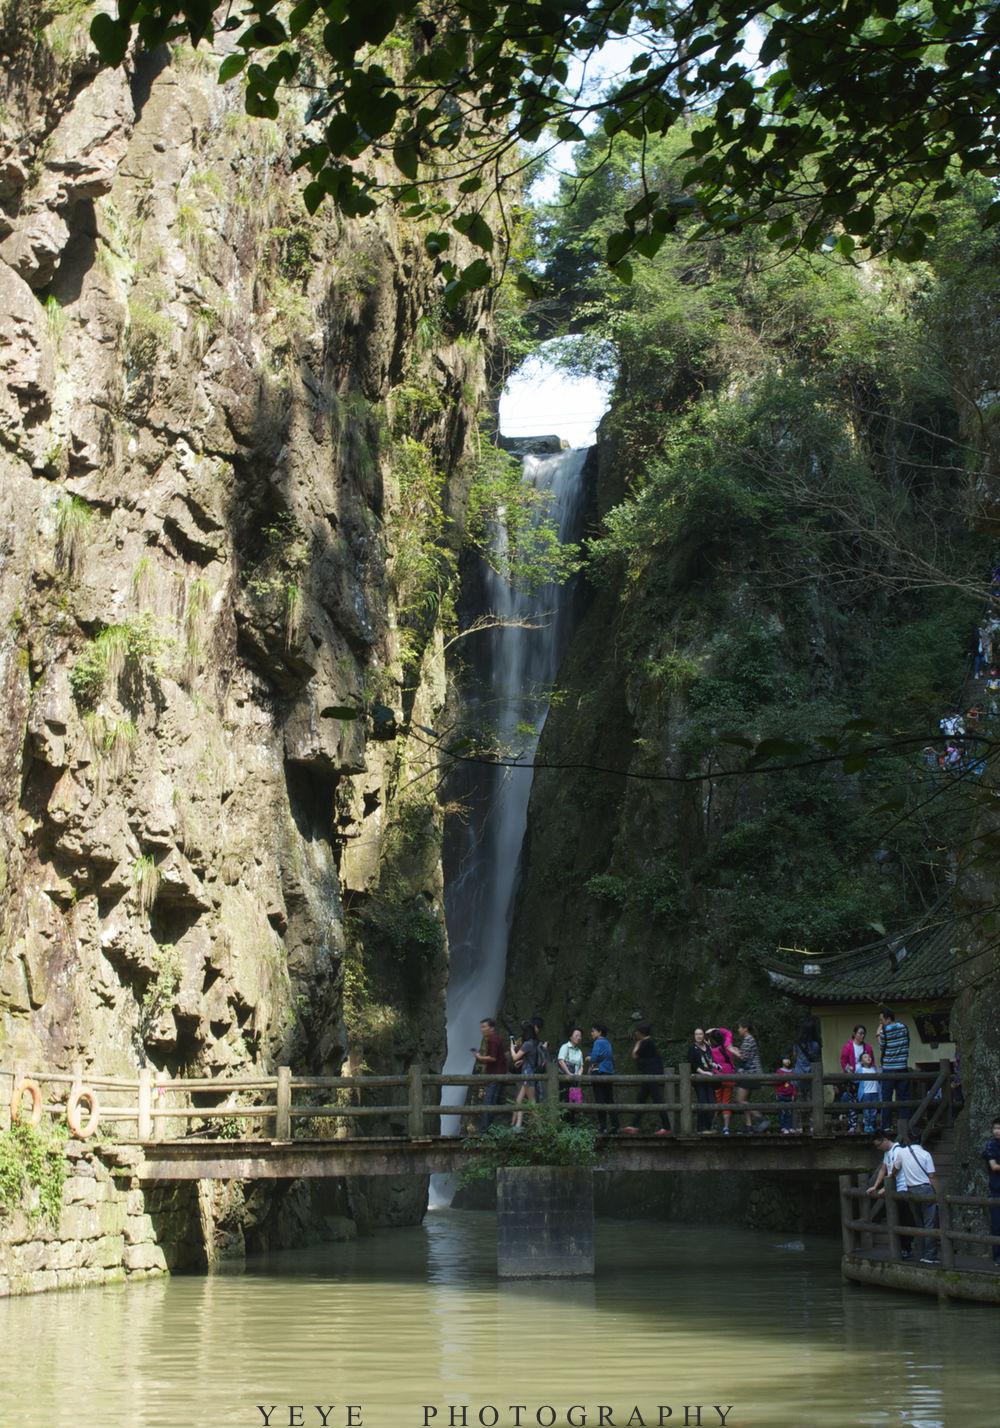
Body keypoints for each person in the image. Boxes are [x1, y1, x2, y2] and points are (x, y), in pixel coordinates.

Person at [868, 1129, 917, 1260]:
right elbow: (883, 1169)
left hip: (903, 1188)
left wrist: (885, 1188)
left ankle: (907, 1248)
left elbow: (895, 1171)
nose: (878, 1148)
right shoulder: (887, 1153)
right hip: (895, 1190)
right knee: (899, 1219)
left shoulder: (898, 1150)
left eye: (878, 1145)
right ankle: (903, 1248)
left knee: (905, 1220)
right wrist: (875, 1186)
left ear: (884, 1140)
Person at [623, 1022, 671, 1135]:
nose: (635, 1034)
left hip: (651, 1075)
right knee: (641, 1099)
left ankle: (667, 1127)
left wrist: (637, 1045)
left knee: (657, 1100)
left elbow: (635, 1055)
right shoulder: (648, 1042)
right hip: (649, 1075)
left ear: (641, 1033)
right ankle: (634, 1125)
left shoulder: (646, 1042)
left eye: (637, 1032)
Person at [732, 1020, 769, 1133]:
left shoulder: (748, 1039)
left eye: (739, 1028)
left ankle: (760, 1118)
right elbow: (745, 1054)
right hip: (750, 1073)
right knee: (745, 1100)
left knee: (740, 1100)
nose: (738, 1030)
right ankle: (749, 1126)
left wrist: (732, 1050)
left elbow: (743, 1057)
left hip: (750, 1073)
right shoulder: (748, 1040)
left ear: (745, 1029)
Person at [877, 1006, 910, 1130]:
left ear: (888, 1019)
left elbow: (882, 1046)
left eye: (882, 1020)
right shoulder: (904, 1028)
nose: (881, 1023)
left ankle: (886, 1126)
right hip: (902, 1066)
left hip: (889, 1068)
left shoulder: (885, 1031)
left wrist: (878, 1034)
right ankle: (904, 1125)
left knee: (887, 1098)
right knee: (903, 1098)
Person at [471, 1016, 508, 1130]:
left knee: (488, 1102)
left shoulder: (492, 1040)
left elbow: (493, 1058)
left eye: (484, 1027)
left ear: (491, 1028)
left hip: (495, 1075)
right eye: (481, 1027)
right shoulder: (495, 1038)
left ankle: (484, 1130)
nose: (482, 1029)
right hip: (498, 1074)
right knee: (492, 1102)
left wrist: (479, 1057)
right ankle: (489, 1129)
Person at [839, 1023, 874, 1132]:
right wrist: (847, 1070)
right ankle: (852, 1125)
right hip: (853, 1077)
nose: (862, 1035)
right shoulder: (848, 1046)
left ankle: (867, 1123)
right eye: (860, 1033)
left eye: (863, 1033)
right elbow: (843, 1061)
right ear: (854, 1033)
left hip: (865, 1077)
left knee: (866, 1100)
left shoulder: (867, 1047)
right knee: (852, 1101)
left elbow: (872, 1061)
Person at [588, 1022, 619, 1134]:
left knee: (600, 1100)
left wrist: (589, 1058)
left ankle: (603, 1127)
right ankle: (615, 1125)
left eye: (593, 1031)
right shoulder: (608, 1043)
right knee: (609, 1099)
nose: (591, 1033)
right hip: (608, 1073)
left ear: (599, 1032)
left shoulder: (598, 1042)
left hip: (599, 1072)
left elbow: (594, 1057)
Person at [509, 1020, 538, 1129]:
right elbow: (531, 1057)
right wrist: (522, 1062)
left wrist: (512, 1049)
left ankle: (539, 1127)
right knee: (519, 1100)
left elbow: (515, 1057)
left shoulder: (527, 1044)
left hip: (527, 1074)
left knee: (531, 1101)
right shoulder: (533, 1043)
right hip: (528, 1072)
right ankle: (517, 1125)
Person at [708, 1027, 736, 1135]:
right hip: (729, 1077)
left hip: (717, 1077)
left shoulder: (711, 1051)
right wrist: (717, 1029)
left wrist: (709, 1032)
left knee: (717, 1101)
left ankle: (712, 1124)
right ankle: (726, 1128)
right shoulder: (727, 1046)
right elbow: (729, 1032)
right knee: (726, 1102)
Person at [688, 1028, 717, 1132]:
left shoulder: (708, 1047)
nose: (699, 1036)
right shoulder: (692, 1048)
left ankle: (709, 1126)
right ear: (694, 1036)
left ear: (704, 1035)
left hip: (709, 1079)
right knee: (703, 1101)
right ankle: (701, 1128)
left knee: (712, 1102)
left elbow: (711, 1061)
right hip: (699, 1078)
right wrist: (704, 1073)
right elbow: (693, 1064)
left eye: (700, 1034)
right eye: (696, 1034)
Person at [982, 1116, 1000, 1265]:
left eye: (999, 1128)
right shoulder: (991, 1145)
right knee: (997, 1224)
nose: (996, 1131)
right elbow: (994, 1166)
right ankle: (998, 1256)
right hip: (997, 1189)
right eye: (995, 1128)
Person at [557, 1027, 585, 1122]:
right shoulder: (565, 1047)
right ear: (571, 1037)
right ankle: (564, 1123)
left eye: (580, 1036)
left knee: (574, 1102)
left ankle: (572, 1124)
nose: (578, 1037)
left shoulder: (579, 1051)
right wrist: (569, 1073)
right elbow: (561, 1061)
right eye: (576, 1035)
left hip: (574, 1081)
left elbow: (581, 1066)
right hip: (565, 1079)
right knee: (564, 1100)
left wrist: (578, 1075)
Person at [857, 1052, 881, 1133]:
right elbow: (855, 1080)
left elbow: (880, 1076)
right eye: (865, 1057)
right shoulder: (860, 1070)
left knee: (874, 1110)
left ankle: (872, 1125)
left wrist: (878, 1069)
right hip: (865, 1093)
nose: (868, 1058)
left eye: (869, 1056)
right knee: (866, 1110)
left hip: (875, 1092)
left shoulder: (873, 1069)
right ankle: (867, 1125)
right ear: (861, 1062)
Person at [774, 1055, 798, 1134]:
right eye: (785, 1059)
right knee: (782, 1112)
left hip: (790, 1095)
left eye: (788, 1059)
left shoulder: (793, 1071)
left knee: (789, 1112)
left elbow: (794, 1084)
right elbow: (776, 1084)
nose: (787, 1061)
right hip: (781, 1094)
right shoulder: (779, 1071)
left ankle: (789, 1127)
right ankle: (783, 1127)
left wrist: (794, 1094)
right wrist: (777, 1093)